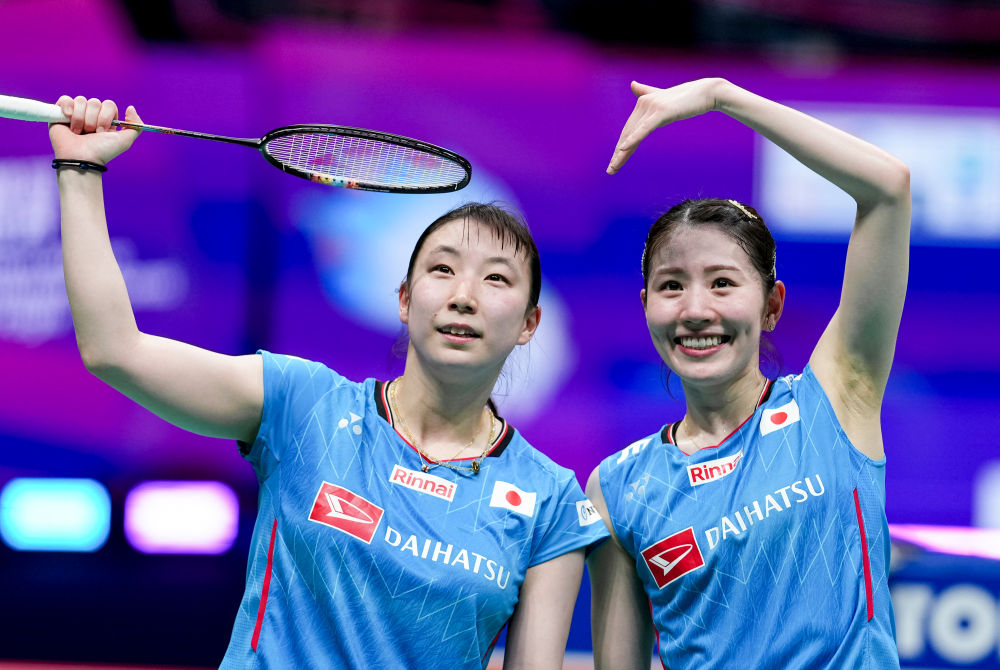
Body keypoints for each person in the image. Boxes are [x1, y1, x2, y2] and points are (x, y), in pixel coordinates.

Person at [49, 95, 608, 669]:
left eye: (496, 279)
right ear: (404, 300)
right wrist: (80, 169)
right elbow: (115, 350)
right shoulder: (302, 404)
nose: (464, 296)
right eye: (442, 269)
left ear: (530, 323)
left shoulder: (550, 500)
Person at [588, 78, 909, 669]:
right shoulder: (619, 487)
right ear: (646, 307)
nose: (695, 310)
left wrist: (721, 96)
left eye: (722, 283)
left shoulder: (836, 400)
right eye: (671, 286)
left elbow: (887, 188)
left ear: (771, 306)